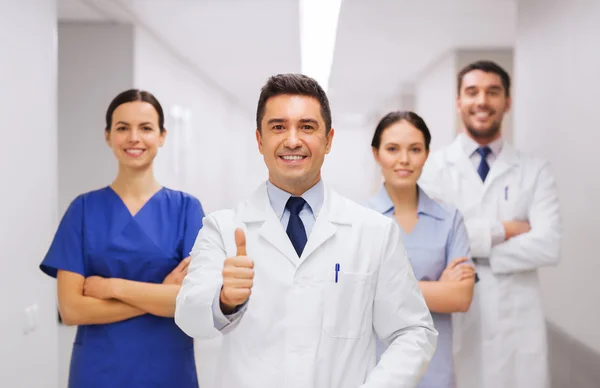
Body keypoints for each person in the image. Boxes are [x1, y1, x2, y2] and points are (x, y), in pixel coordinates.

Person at [175, 74, 437, 388]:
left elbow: (413, 332)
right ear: (260, 140)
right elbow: (188, 317)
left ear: (329, 140)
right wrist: (224, 300)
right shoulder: (223, 229)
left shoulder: (375, 233)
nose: (293, 140)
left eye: (307, 127)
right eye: (278, 127)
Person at [40, 89, 204, 388]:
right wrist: (159, 294)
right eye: (122, 128)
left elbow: (189, 300)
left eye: (145, 128)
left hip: (167, 369)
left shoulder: (186, 209)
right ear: (107, 136)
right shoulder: (84, 209)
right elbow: (72, 309)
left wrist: (111, 287)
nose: (134, 138)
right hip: (99, 370)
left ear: (162, 135)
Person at [419, 60, 562, 388]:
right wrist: (504, 231)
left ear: (507, 102)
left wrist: (474, 252)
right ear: (458, 102)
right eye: (472, 92)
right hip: (456, 320)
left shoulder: (534, 170)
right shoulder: (434, 168)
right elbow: (434, 241)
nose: (482, 101)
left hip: (517, 324)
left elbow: (548, 245)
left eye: (492, 92)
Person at [366, 111, 476, 388]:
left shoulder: (450, 220)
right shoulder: (359, 220)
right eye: (392, 149)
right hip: (376, 370)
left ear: (427, 154)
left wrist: (382, 287)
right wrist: (437, 288)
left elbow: (461, 298)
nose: (404, 159)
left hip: (435, 371)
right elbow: (354, 296)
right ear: (376, 154)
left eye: (414, 149)